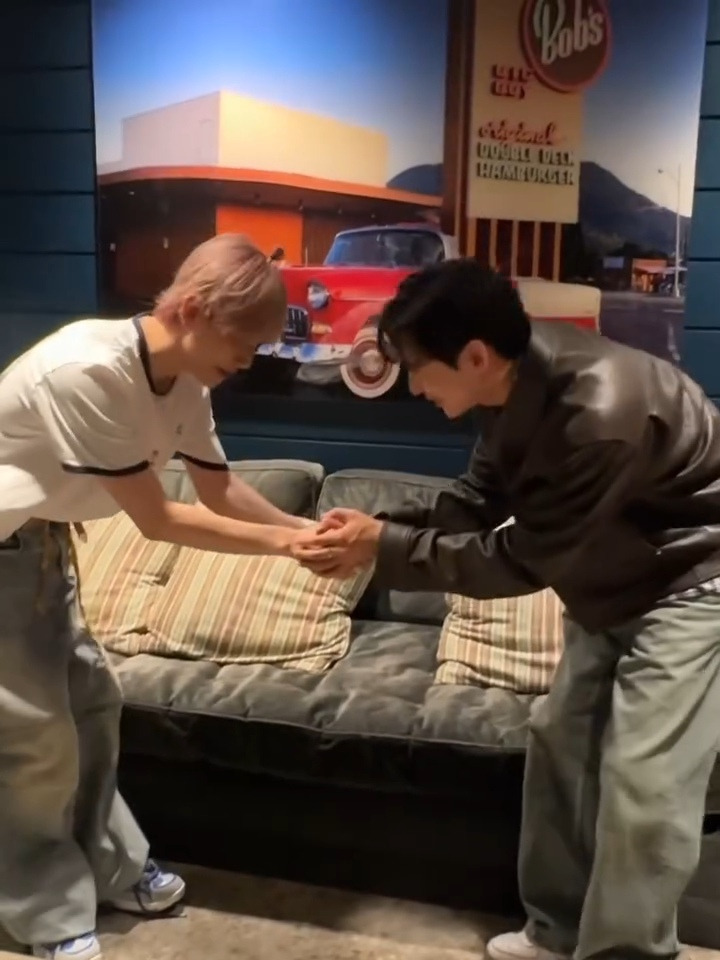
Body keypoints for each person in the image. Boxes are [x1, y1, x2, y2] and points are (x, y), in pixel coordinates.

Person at [293, 259, 720, 960]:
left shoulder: (600, 412)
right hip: (604, 579)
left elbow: (520, 560)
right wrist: (376, 529)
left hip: (687, 584)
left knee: (646, 779)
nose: (412, 386)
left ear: (474, 356)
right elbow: (477, 502)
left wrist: (382, 547)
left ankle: (625, 953)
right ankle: (556, 931)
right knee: (560, 746)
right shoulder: (512, 380)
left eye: (416, 368)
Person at [0, 233, 319, 960]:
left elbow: (220, 490)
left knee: (92, 708)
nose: (249, 360)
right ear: (195, 310)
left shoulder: (186, 380)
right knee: (31, 741)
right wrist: (286, 549)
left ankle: (111, 869)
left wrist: (308, 531)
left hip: (42, 541)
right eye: (245, 342)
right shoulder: (88, 369)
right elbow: (160, 518)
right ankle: (47, 912)